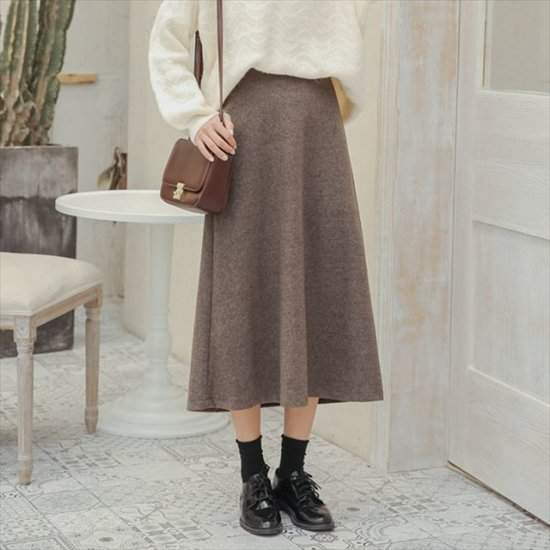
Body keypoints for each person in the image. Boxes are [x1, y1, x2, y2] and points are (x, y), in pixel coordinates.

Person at [148, 0, 383, 537]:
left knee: (317, 285)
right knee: (242, 294)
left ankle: (293, 472)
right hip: (243, 126)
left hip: (318, 125)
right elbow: (167, 40)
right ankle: (252, 475)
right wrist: (194, 115)